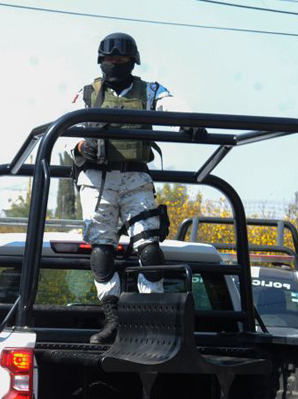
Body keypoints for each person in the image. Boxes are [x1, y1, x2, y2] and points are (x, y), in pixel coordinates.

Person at [70, 32, 185, 344]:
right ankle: (114, 322)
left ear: (133, 61)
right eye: (110, 59)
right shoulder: (85, 93)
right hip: (96, 179)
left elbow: (172, 108)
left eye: (121, 59)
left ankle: (151, 321)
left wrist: (186, 123)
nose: (115, 64)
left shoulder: (150, 90)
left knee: (149, 249)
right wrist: (82, 147)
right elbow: (62, 132)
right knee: (101, 250)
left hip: (135, 177)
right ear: (101, 61)